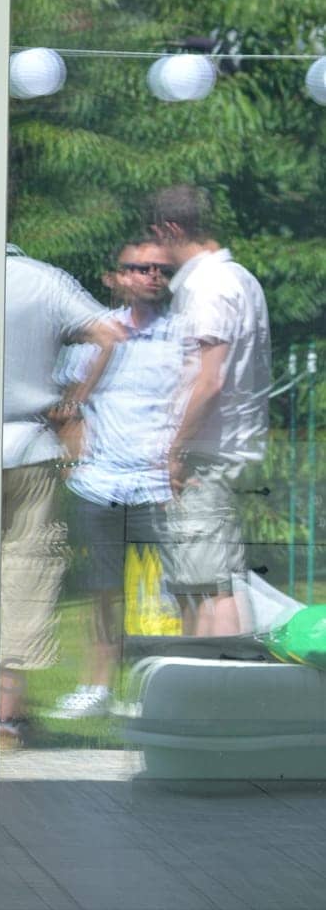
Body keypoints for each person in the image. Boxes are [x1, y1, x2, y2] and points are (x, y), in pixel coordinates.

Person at [49, 240, 186, 719]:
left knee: (173, 594)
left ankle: (162, 690)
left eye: (160, 269)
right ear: (115, 278)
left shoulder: (183, 338)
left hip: (158, 488)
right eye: (138, 268)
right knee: (102, 594)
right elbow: (65, 408)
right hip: (100, 485)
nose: (151, 275)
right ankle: (98, 689)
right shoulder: (96, 339)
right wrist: (73, 464)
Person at [0, 245, 123, 747]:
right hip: (29, 445)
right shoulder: (43, 280)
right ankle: (5, 716)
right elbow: (108, 334)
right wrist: (75, 399)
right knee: (24, 575)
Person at [146, 185, 272, 636]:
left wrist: (175, 452)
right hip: (224, 450)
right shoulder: (239, 278)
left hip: (203, 454)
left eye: (156, 237)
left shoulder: (207, 286)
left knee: (204, 587)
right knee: (215, 578)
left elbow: (209, 378)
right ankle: (216, 682)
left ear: (171, 229)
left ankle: (208, 686)